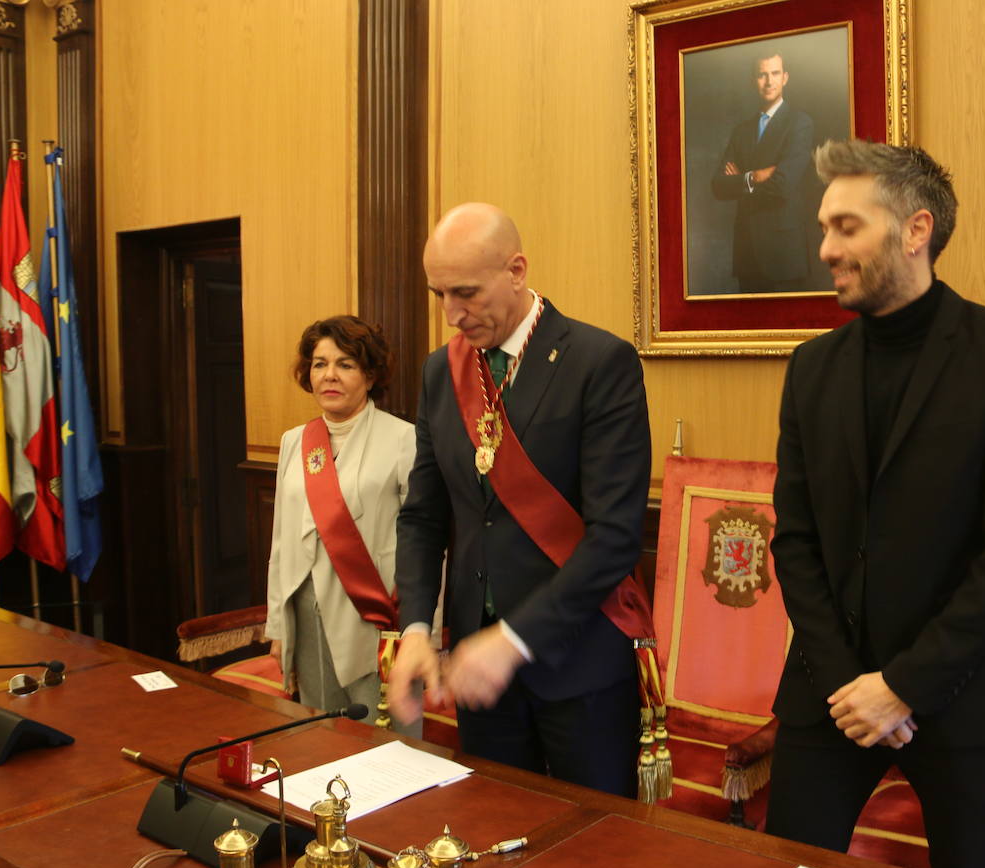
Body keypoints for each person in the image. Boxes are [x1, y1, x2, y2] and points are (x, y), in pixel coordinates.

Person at [766, 139, 985, 868]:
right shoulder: (811, 368)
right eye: (825, 227)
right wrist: (850, 686)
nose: (825, 248)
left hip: (963, 699)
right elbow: (794, 542)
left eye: (846, 227)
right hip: (829, 697)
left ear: (916, 230)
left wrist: (903, 686)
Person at [388, 202, 651, 797]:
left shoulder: (598, 362)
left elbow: (613, 538)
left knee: (595, 854)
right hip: (476, 674)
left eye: (467, 292)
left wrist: (512, 640)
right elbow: (424, 515)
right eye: (439, 294)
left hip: (578, 664)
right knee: (495, 842)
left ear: (517, 270)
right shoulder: (440, 372)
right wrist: (413, 631)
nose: (452, 314)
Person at [263, 316, 416, 715]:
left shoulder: (404, 440)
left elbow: (428, 545)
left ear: (369, 375)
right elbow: (280, 542)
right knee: (323, 739)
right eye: (319, 364)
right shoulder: (295, 442)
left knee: (387, 746)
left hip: (376, 619)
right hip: (306, 611)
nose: (329, 375)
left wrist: (421, 634)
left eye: (345, 364)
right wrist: (279, 627)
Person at [709, 52, 815, 293]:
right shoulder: (741, 131)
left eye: (775, 73)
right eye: (761, 74)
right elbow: (717, 186)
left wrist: (739, 180)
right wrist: (753, 176)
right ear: (753, 80)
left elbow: (783, 184)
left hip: (784, 255)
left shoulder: (799, 123)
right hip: (748, 254)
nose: (769, 81)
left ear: (785, 77)